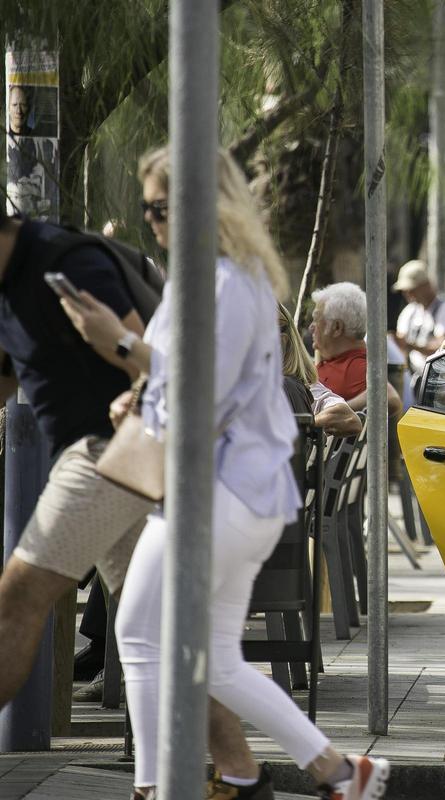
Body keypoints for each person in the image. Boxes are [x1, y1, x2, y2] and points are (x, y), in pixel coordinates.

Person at [61, 146, 388, 800]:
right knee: (208, 657)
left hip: (221, 492)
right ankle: (330, 772)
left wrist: (119, 346)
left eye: (160, 207)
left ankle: (158, 788)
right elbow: (188, 379)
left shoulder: (226, 284)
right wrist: (142, 389)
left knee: (144, 635)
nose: (151, 221)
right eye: (147, 207)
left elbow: (203, 395)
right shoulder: (212, 279)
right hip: (230, 491)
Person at [0, 208, 151, 715]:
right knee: (153, 633)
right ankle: (232, 772)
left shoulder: (66, 265)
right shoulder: (8, 287)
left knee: (18, 595)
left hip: (112, 449)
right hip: (105, 455)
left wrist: (132, 384)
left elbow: (152, 360)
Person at [310, 281, 401, 417]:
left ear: (337, 328)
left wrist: (333, 412)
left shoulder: (358, 367)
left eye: (317, 319)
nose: (312, 327)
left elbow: (391, 400)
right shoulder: (336, 359)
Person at [278, 302, 361, 438]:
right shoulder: (296, 384)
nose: (311, 327)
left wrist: (302, 427)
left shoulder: (286, 386)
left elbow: (350, 419)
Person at [391, 259, 445, 388]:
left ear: (426, 285)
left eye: (412, 289)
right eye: (405, 290)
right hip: (414, 380)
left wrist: (410, 345)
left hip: (443, 383)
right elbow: (400, 344)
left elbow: (444, 349)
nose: (408, 293)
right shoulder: (409, 312)